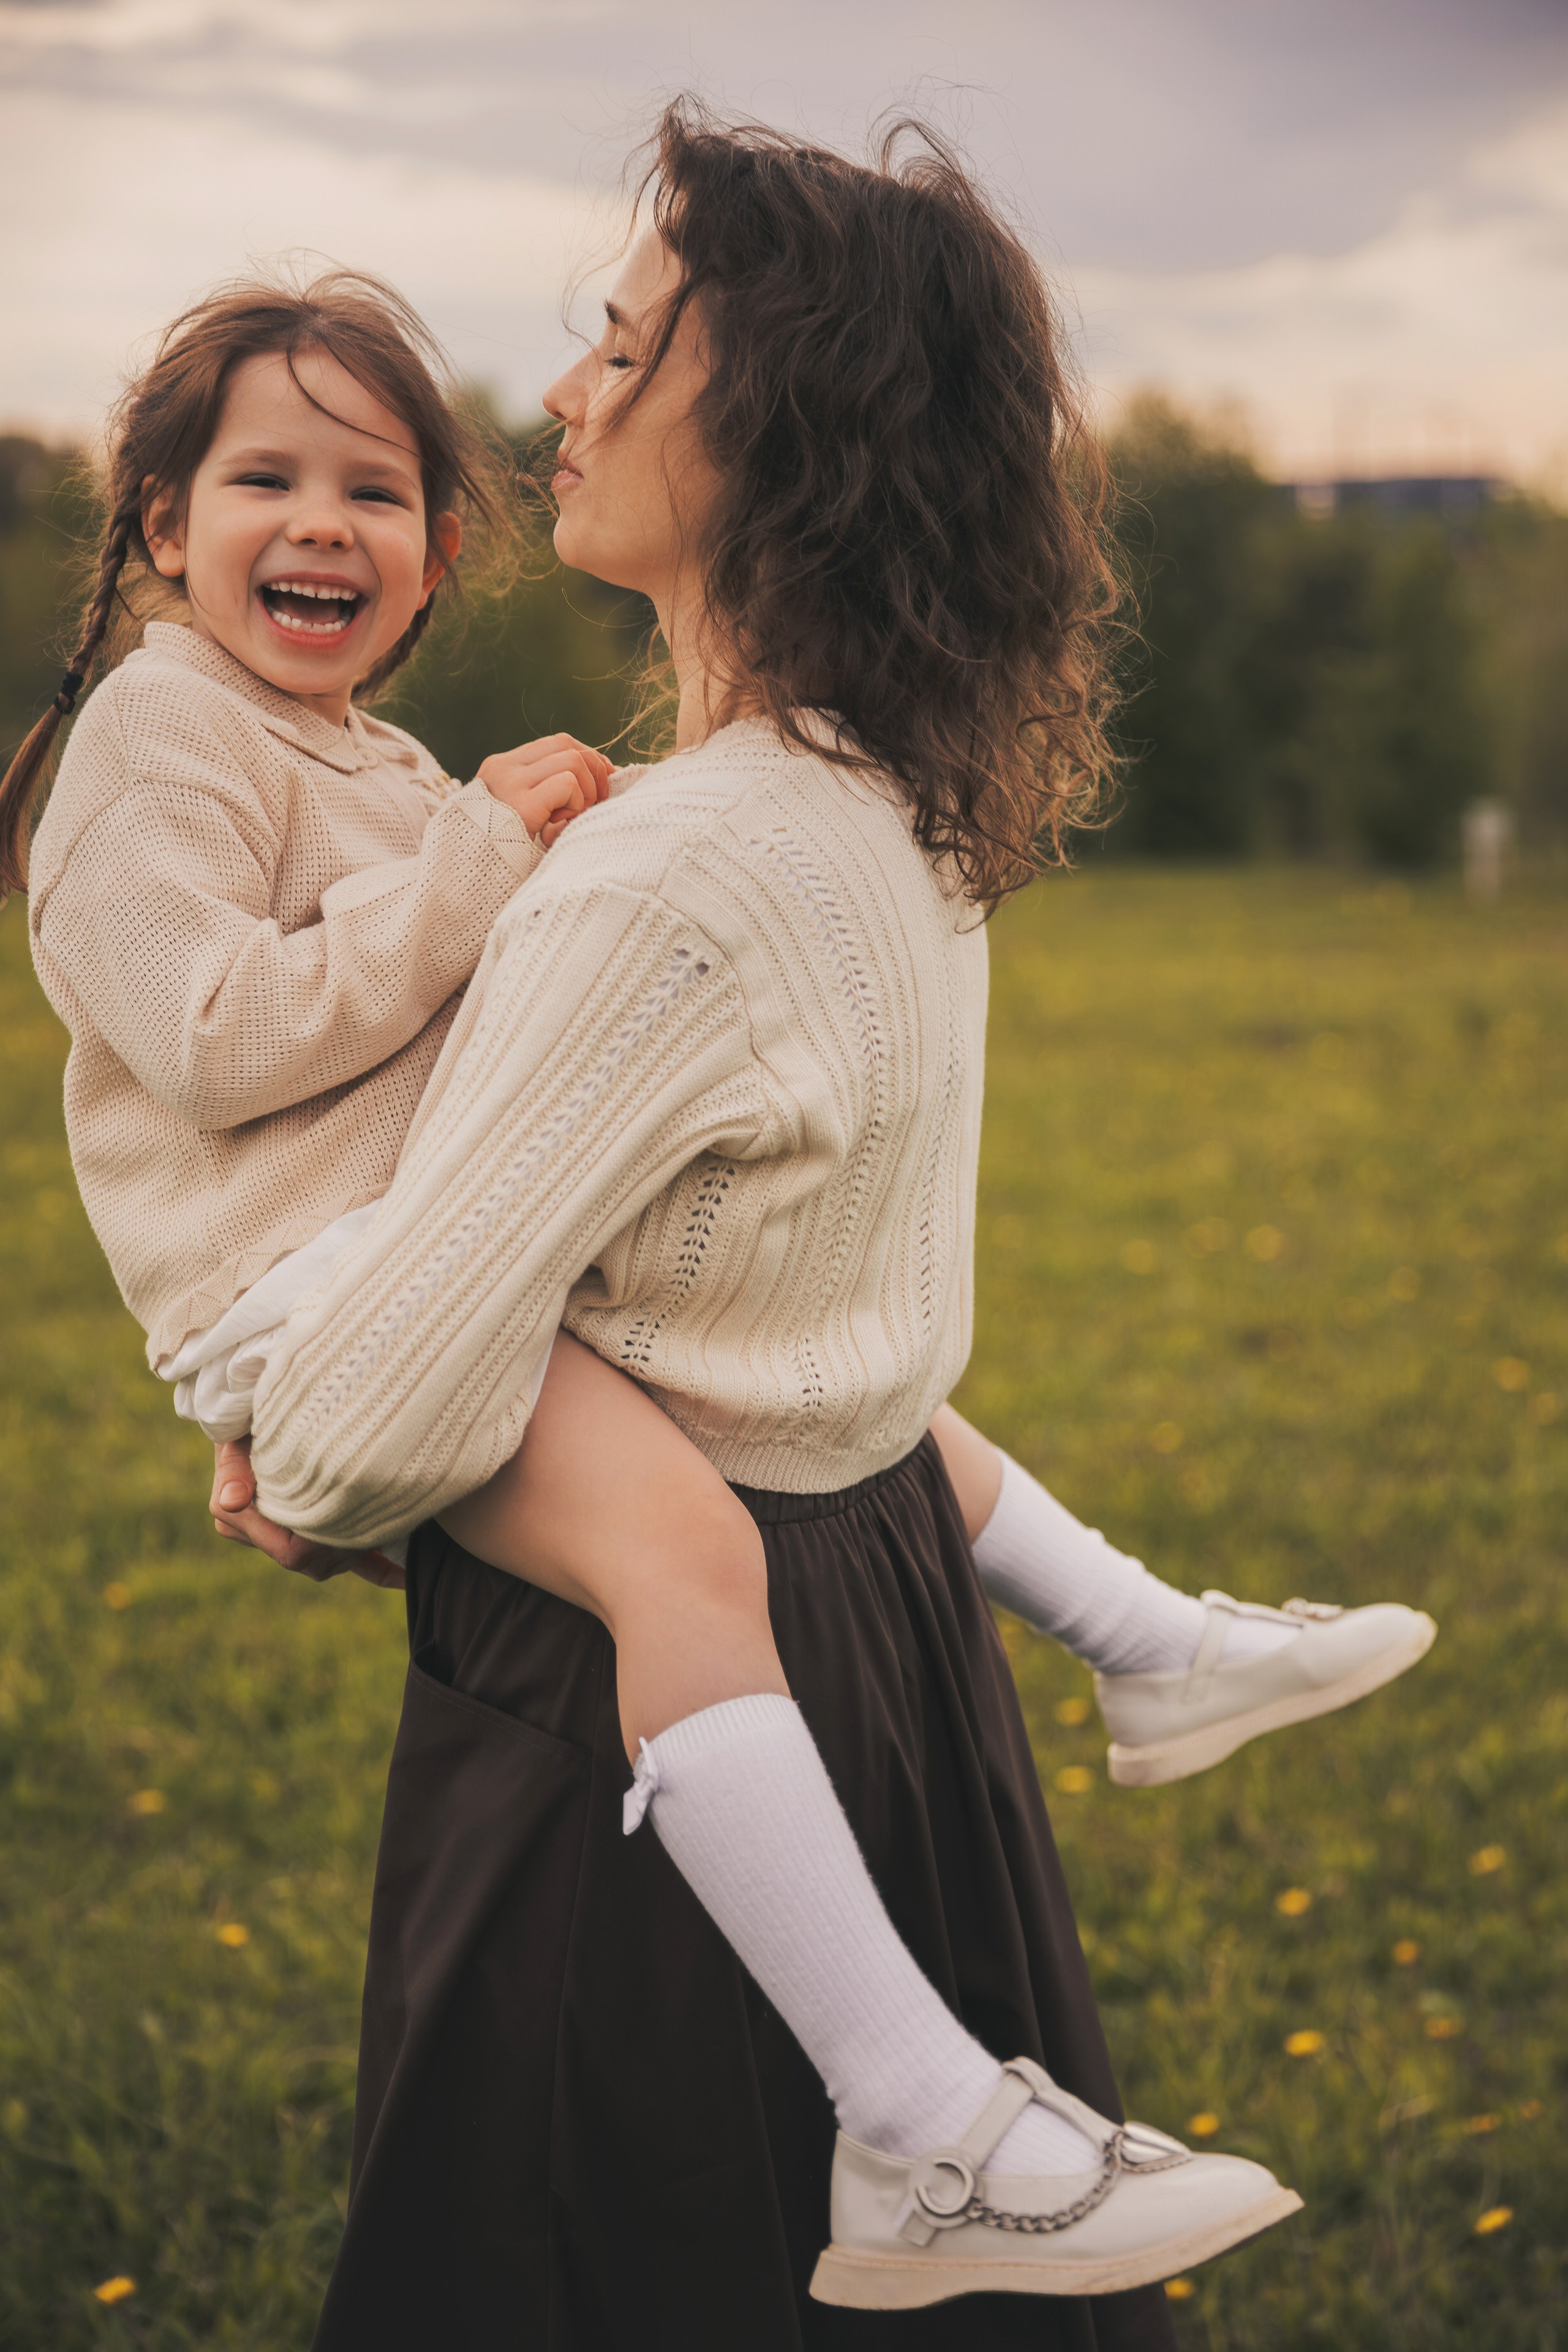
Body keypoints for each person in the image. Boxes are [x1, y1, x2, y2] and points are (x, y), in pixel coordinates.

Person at [236, 110, 1422, 2347]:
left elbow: (358, 1435)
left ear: (776, 405)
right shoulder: (885, 808)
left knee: (635, 2262)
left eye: (618, 344)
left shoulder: (678, 872)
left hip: (652, 1737)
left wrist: (291, 1427)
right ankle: (1141, 1698)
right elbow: (833, 1328)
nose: (563, 396)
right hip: (875, 1643)